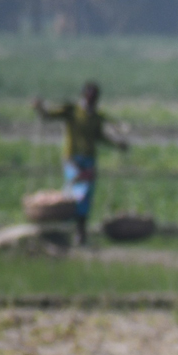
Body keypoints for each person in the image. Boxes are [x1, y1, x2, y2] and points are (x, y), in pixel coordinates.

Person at [32, 81, 129, 247]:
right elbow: (48, 116)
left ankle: (80, 233)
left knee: (85, 197)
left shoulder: (96, 117)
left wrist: (117, 144)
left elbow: (99, 136)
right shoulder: (72, 110)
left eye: (94, 97)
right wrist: (40, 108)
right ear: (84, 95)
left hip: (89, 159)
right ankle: (62, 231)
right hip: (73, 159)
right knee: (73, 193)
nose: (91, 99)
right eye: (89, 96)